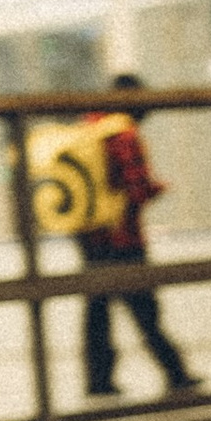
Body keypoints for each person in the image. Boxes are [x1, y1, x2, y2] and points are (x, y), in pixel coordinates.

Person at [61, 77, 202, 401]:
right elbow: (136, 189)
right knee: (145, 309)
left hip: (88, 235)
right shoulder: (123, 134)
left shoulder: (87, 127)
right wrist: (157, 189)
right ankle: (176, 372)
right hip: (123, 238)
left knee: (97, 312)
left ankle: (98, 380)